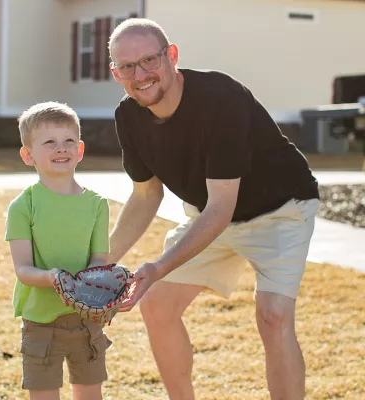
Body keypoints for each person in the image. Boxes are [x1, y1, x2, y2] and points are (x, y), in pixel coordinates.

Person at [108, 18, 320, 400]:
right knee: (157, 305)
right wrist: (101, 261)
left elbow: (222, 206)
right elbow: (144, 197)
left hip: (281, 208)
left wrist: (156, 268)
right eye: (126, 67)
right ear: (115, 73)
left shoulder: (221, 97)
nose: (140, 75)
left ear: (171, 56)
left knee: (273, 316)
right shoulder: (128, 115)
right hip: (210, 215)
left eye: (149, 60)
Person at [5, 102, 112, 400]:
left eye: (67, 141)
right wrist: (56, 278)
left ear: (79, 150)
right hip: (41, 321)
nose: (60, 148)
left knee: (90, 393)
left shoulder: (97, 204)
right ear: (29, 155)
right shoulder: (22, 206)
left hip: (86, 319)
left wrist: (96, 288)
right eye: (49, 142)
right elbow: (23, 270)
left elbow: (100, 259)